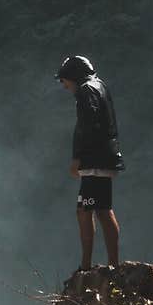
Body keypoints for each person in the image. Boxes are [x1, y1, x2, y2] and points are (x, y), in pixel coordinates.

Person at [55, 54, 125, 272]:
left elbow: (87, 124)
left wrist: (78, 158)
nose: (64, 85)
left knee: (85, 210)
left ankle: (86, 267)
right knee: (102, 209)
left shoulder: (86, 90)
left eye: (64, 80)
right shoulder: (100, 85)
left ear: (74, 76)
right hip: (106, 156)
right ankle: (113, 264)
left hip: (95, 160)